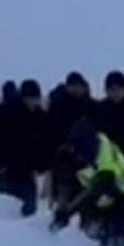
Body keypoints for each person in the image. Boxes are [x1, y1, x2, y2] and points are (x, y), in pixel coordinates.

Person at [51, 120, 124, 246]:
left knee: (120, 230)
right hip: (106, 195)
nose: (76, 153)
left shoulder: (103, 160)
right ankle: (106, 242)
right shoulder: (89, 147)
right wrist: (63, 209)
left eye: (78, 148)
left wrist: (68, 212)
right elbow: (68, 185)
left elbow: (93, 191)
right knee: (93, 226)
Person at [0, 80, 50, 216]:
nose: (33, 103)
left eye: (36, 99)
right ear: (23, 98)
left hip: (28, 171)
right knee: (7, 210)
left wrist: (41, 166)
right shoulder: (6, 112)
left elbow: (44, 143)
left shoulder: (40, 116)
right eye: (30, 99)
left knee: (29, 210)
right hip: (8, 169)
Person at [47, 72, 97, 209]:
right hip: (64, 162)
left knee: (87, 201)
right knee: (64, 200)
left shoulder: (91, 106)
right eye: (72, 86)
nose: (76, 89)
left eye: (79, 86)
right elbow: (50, 132)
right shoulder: (58, 105)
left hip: (87, 162)